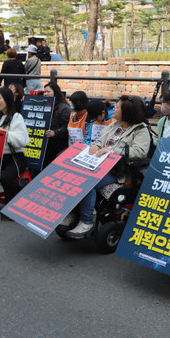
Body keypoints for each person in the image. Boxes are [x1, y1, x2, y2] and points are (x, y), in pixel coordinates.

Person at [70, 95, 153, 237]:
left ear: (127, 112)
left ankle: (87, 222)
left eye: (118, 107)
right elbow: (100, 140)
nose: (113, 109)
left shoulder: (141, 130)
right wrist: (96, 146)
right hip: (99, 165)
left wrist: (112, 151)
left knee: (87, 182)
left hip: (118, 172)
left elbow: (140, 152)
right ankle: (72, 214)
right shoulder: (115, 125)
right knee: (72, 174)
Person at [0, 86, 30, 200]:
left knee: (5, 178)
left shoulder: (17, 117)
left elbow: (23, 140)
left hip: (15, 158)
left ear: (7, 99)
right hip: (0, 157)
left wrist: (1, 131)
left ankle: (12, 203)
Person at [43, 82, 72, 165]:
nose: (45, 94)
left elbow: (67, 127)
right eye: (44, 92)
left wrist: (55, 132)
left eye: (48, 92)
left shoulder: (64, 108)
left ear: (55, 92)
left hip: (58, 142)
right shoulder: (45, 105)